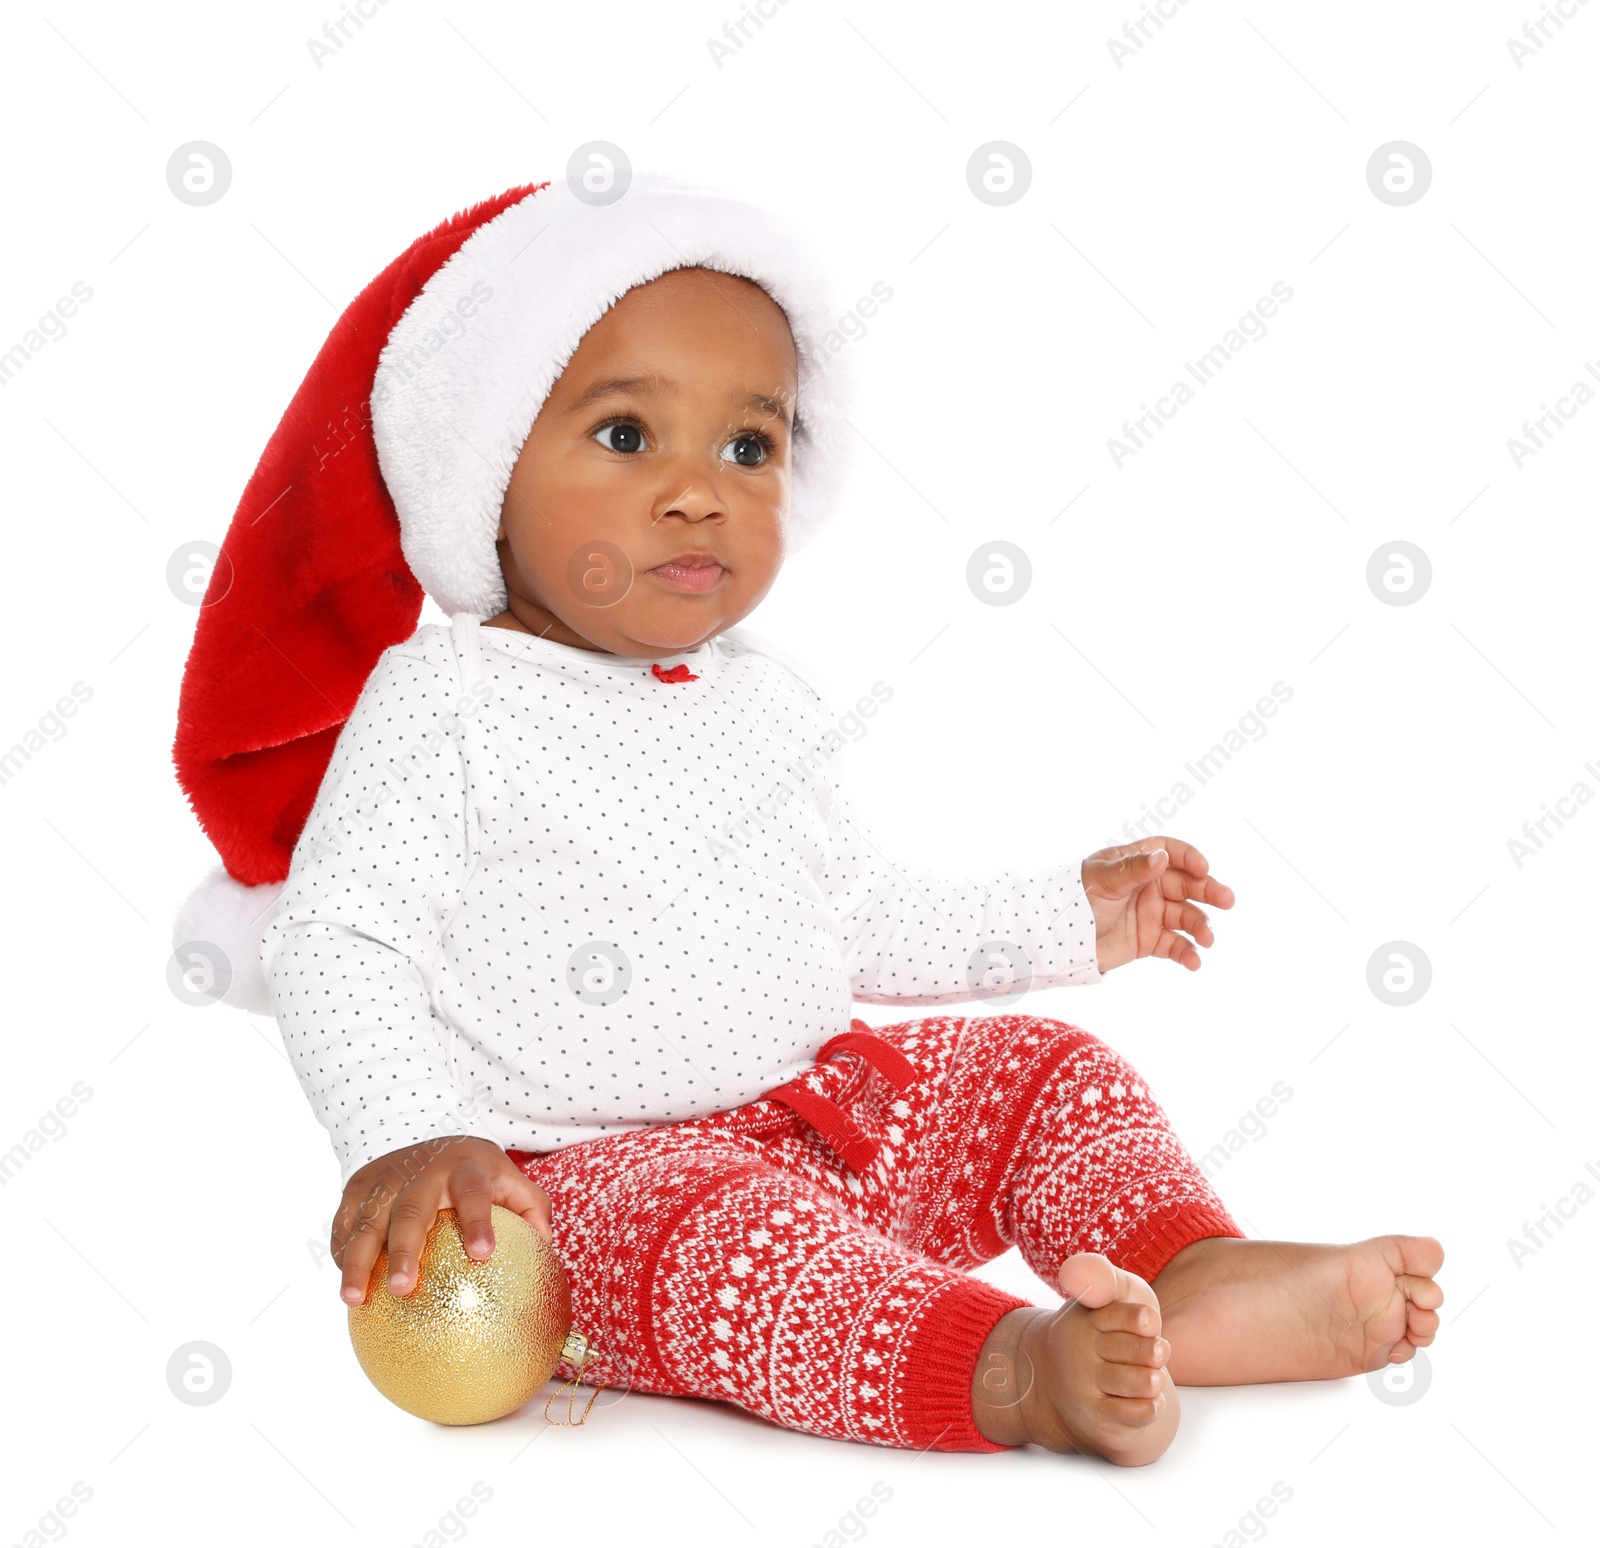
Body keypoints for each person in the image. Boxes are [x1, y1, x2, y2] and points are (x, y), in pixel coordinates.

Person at [172, 173, 1442, 1463]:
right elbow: (338, 938)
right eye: (625, 437)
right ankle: (1012, 1371)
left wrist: (1068, 917)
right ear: (486, 462)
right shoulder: (447, 696)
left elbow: (863, 918)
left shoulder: (766, 702)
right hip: (591, 1191)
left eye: (749, 447)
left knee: (1043, 1074)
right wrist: (406, 1139)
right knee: (744, 1257)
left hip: (826, 1115)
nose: (697, 491)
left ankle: (1191, 1275)